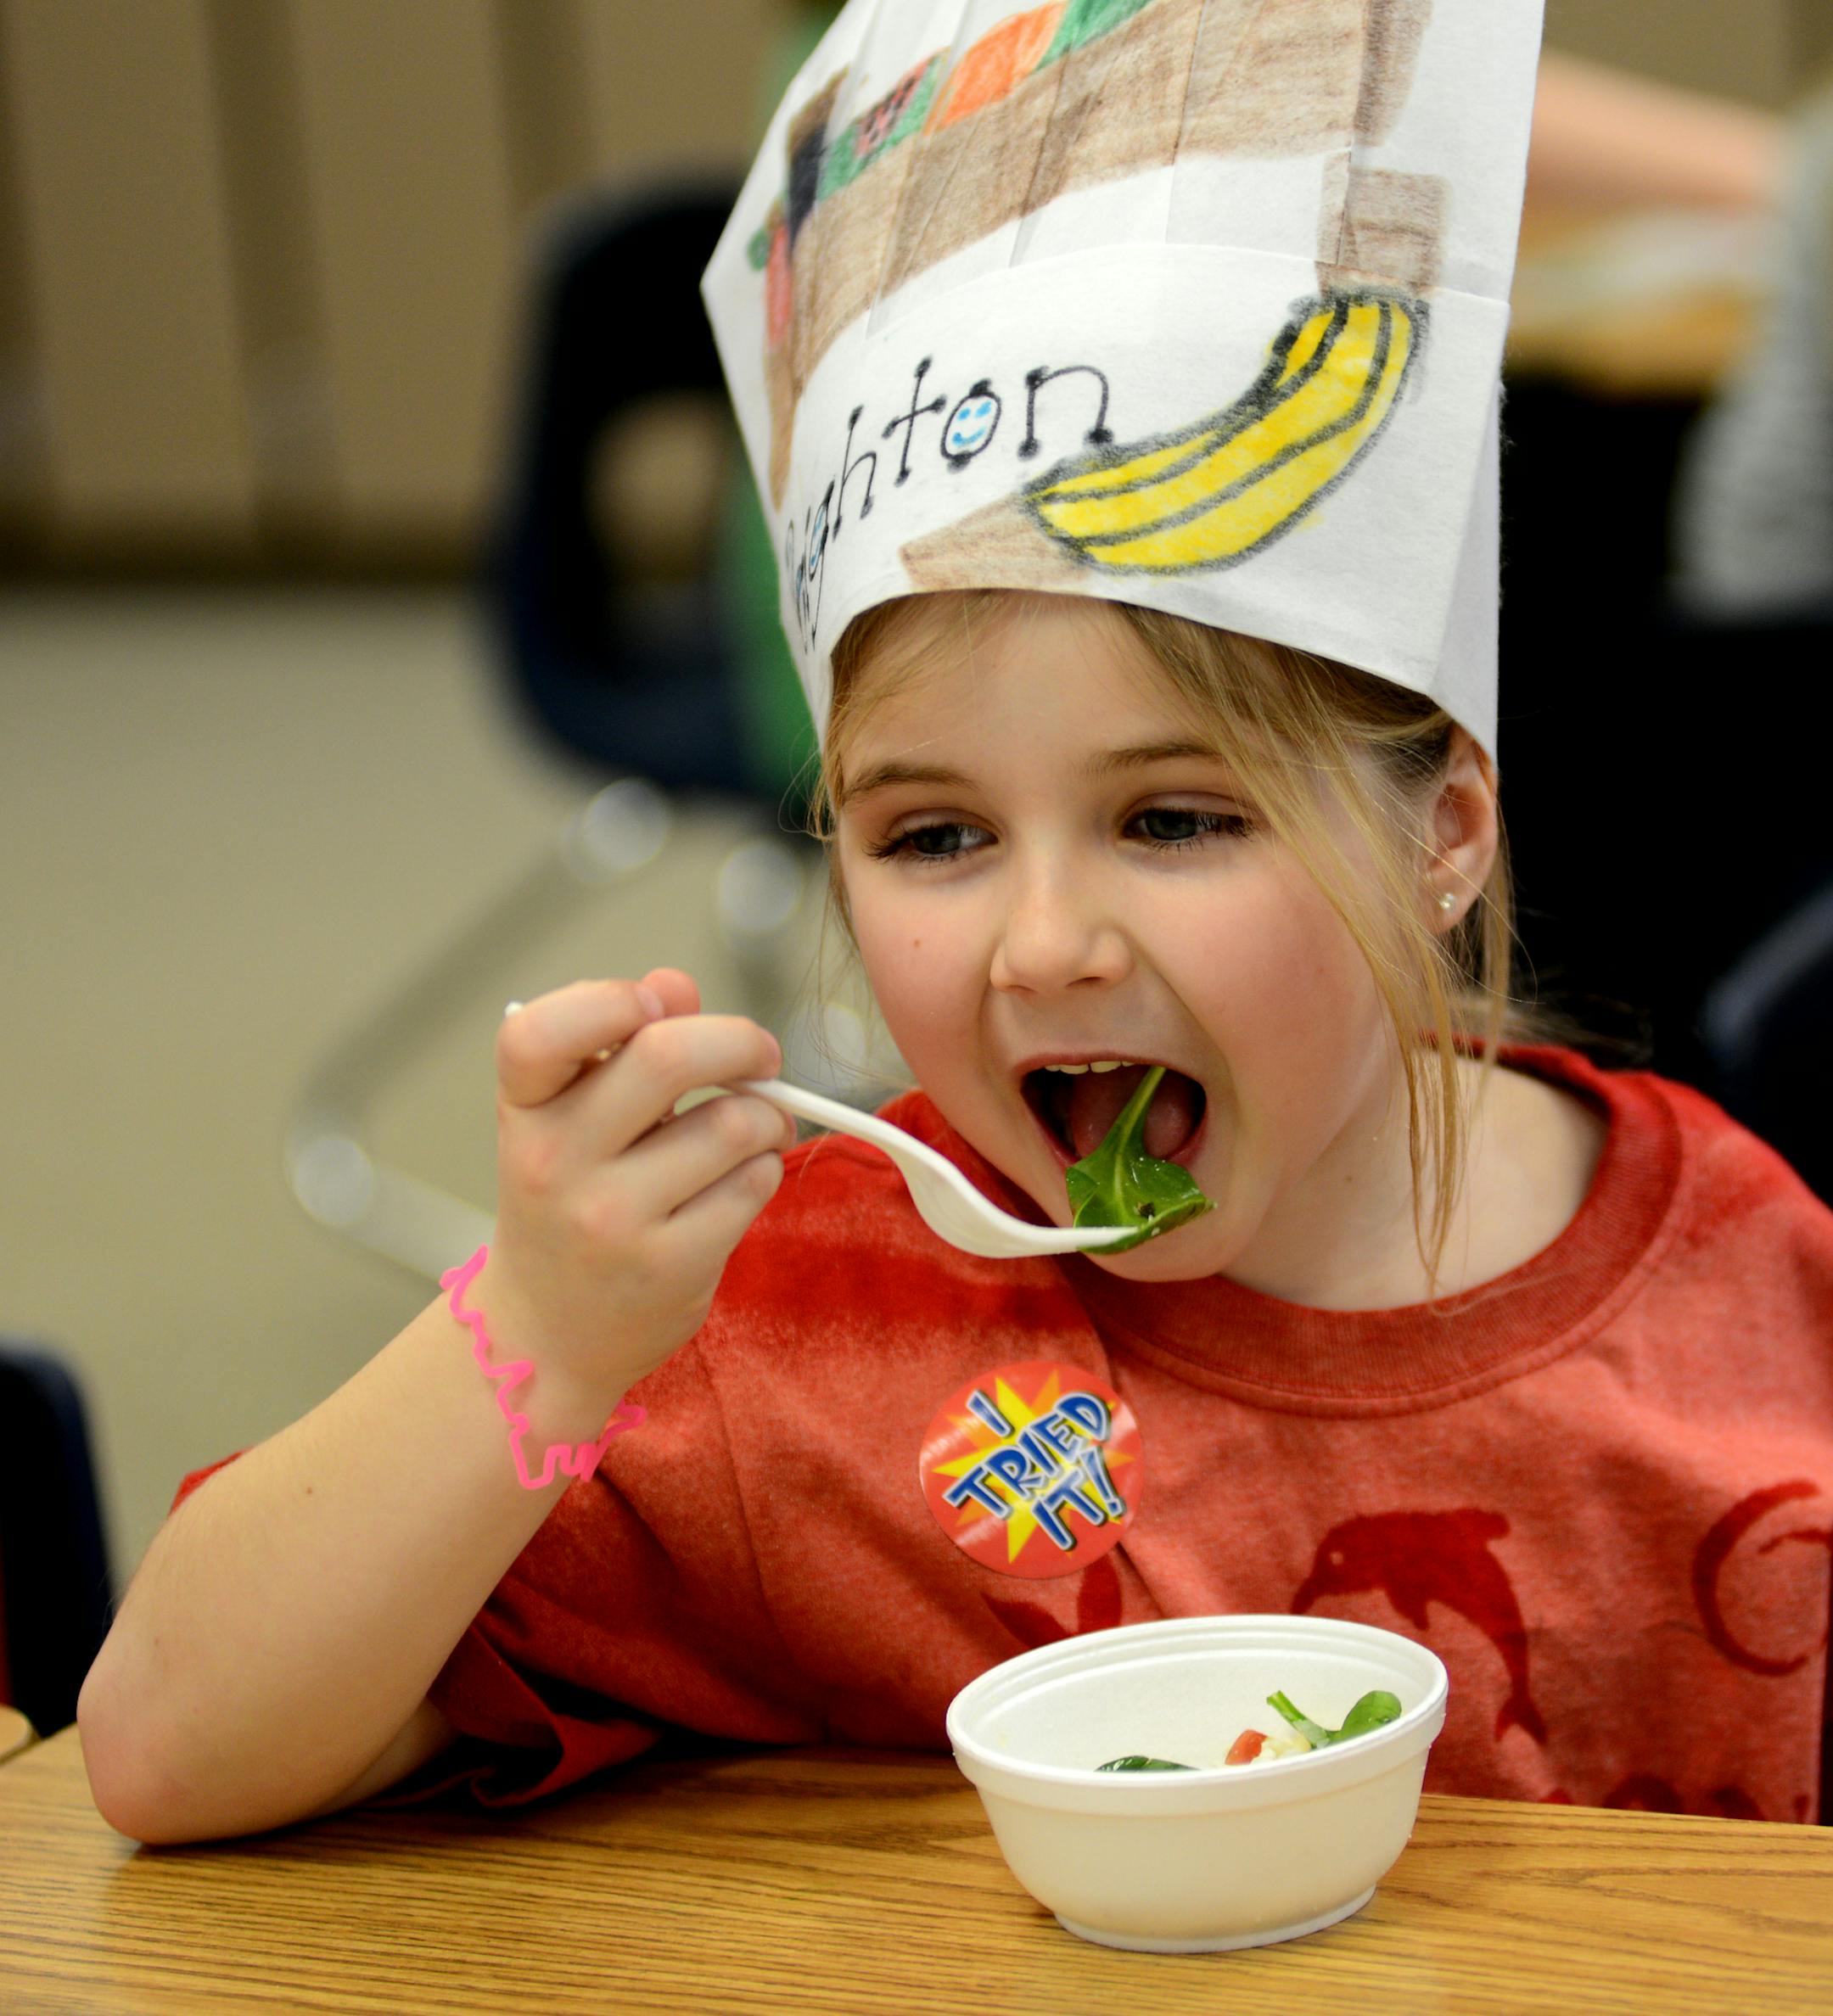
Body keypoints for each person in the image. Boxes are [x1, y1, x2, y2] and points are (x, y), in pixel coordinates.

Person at [78, 0, 1833, 1845]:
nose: (1044, 943)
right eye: (933, 837)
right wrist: (536, 1330)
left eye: (1173, 816)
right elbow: (165, 1748)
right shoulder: (807, 1349)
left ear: (1442, 839)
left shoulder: (1746, 1300)